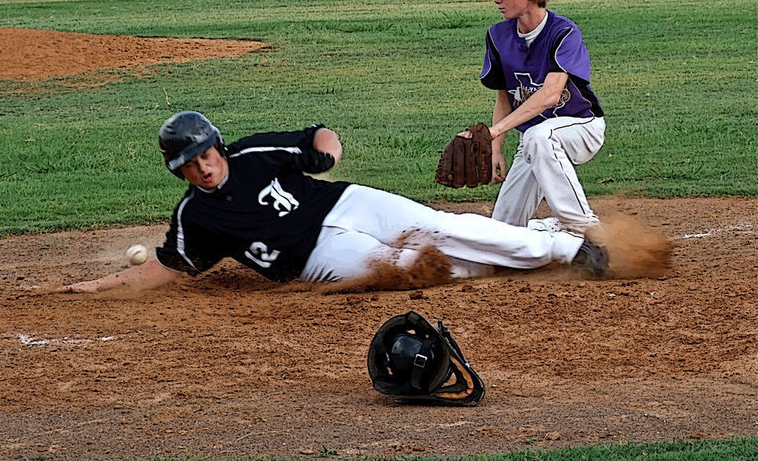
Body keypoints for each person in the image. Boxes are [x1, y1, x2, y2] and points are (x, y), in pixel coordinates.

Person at [58, 110, 609, 294]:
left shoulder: (252, 153)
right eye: (189, 165)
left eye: (205, 155)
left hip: (344, 203)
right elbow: (168, 266)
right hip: (314, 260)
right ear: (177, 171)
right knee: (409, 268)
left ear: (216, 146)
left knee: (437, 226)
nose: (202, 168)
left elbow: (319, 135)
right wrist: (98, 287)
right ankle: (517, 261)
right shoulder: (193, 217)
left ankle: (566, 250)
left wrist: (325, 155)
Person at [471, 0, 605, 233]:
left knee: (537, 135)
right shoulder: (498, 36)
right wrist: (496, 148)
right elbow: (504, 96)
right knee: (503, 233)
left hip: (581, 127)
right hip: (535, 141)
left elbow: (550, 95)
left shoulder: (563, 32)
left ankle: (586, 230)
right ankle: (551, 230)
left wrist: (494, 131)